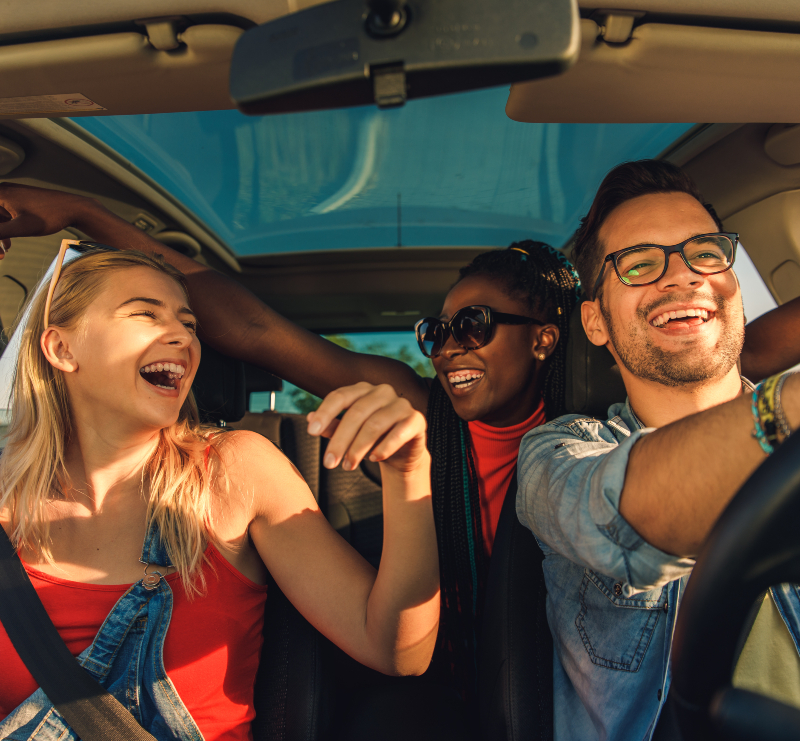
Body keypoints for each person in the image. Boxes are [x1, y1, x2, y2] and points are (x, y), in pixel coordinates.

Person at [0, 182, 798, 700]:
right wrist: (84, 218)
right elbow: (252, 328)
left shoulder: (590, 422)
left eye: (475, 326)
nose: (449, 347)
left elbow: (734, 348)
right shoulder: (450, 420)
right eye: (436, 330)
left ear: (550, 339)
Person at [0, 244, 439, 740]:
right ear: (61, 349)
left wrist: (409, 472)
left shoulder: (235, 470)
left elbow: (398, 650)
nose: (182, 337)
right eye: (144, 313)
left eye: (189, 324)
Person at [516, 159, 800, 741]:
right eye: (640, 264)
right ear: (594, 323)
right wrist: (785, 412)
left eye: (705, 253)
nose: (684, 278)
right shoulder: (558, 455)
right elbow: (621, 514)